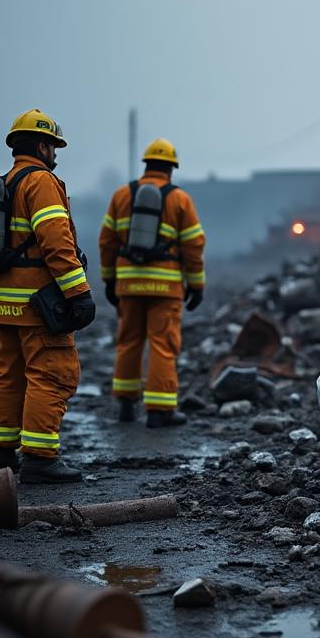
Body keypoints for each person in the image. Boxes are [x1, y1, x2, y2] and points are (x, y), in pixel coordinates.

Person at [0, 109, 95, 484]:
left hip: (3, 301)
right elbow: (56, 243)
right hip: (37, 304)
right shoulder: (41, 182)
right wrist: (78, 293)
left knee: (8, 375)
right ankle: (40, 458)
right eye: (54, 147)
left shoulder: (7, 181)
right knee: (51, 374)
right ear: (43, 146)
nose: (56, 155)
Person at [98, 138, 205, 428]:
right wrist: (196, 284)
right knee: (162, 344)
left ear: (146, 165)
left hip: (128, 286)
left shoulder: (121, 195)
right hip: (166, 287)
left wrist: (109, 279)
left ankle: (125, 405)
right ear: (171, 169)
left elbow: (107, 241)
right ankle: (159, 411)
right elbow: (193, 244)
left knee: (128, 341)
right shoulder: (180, 199)